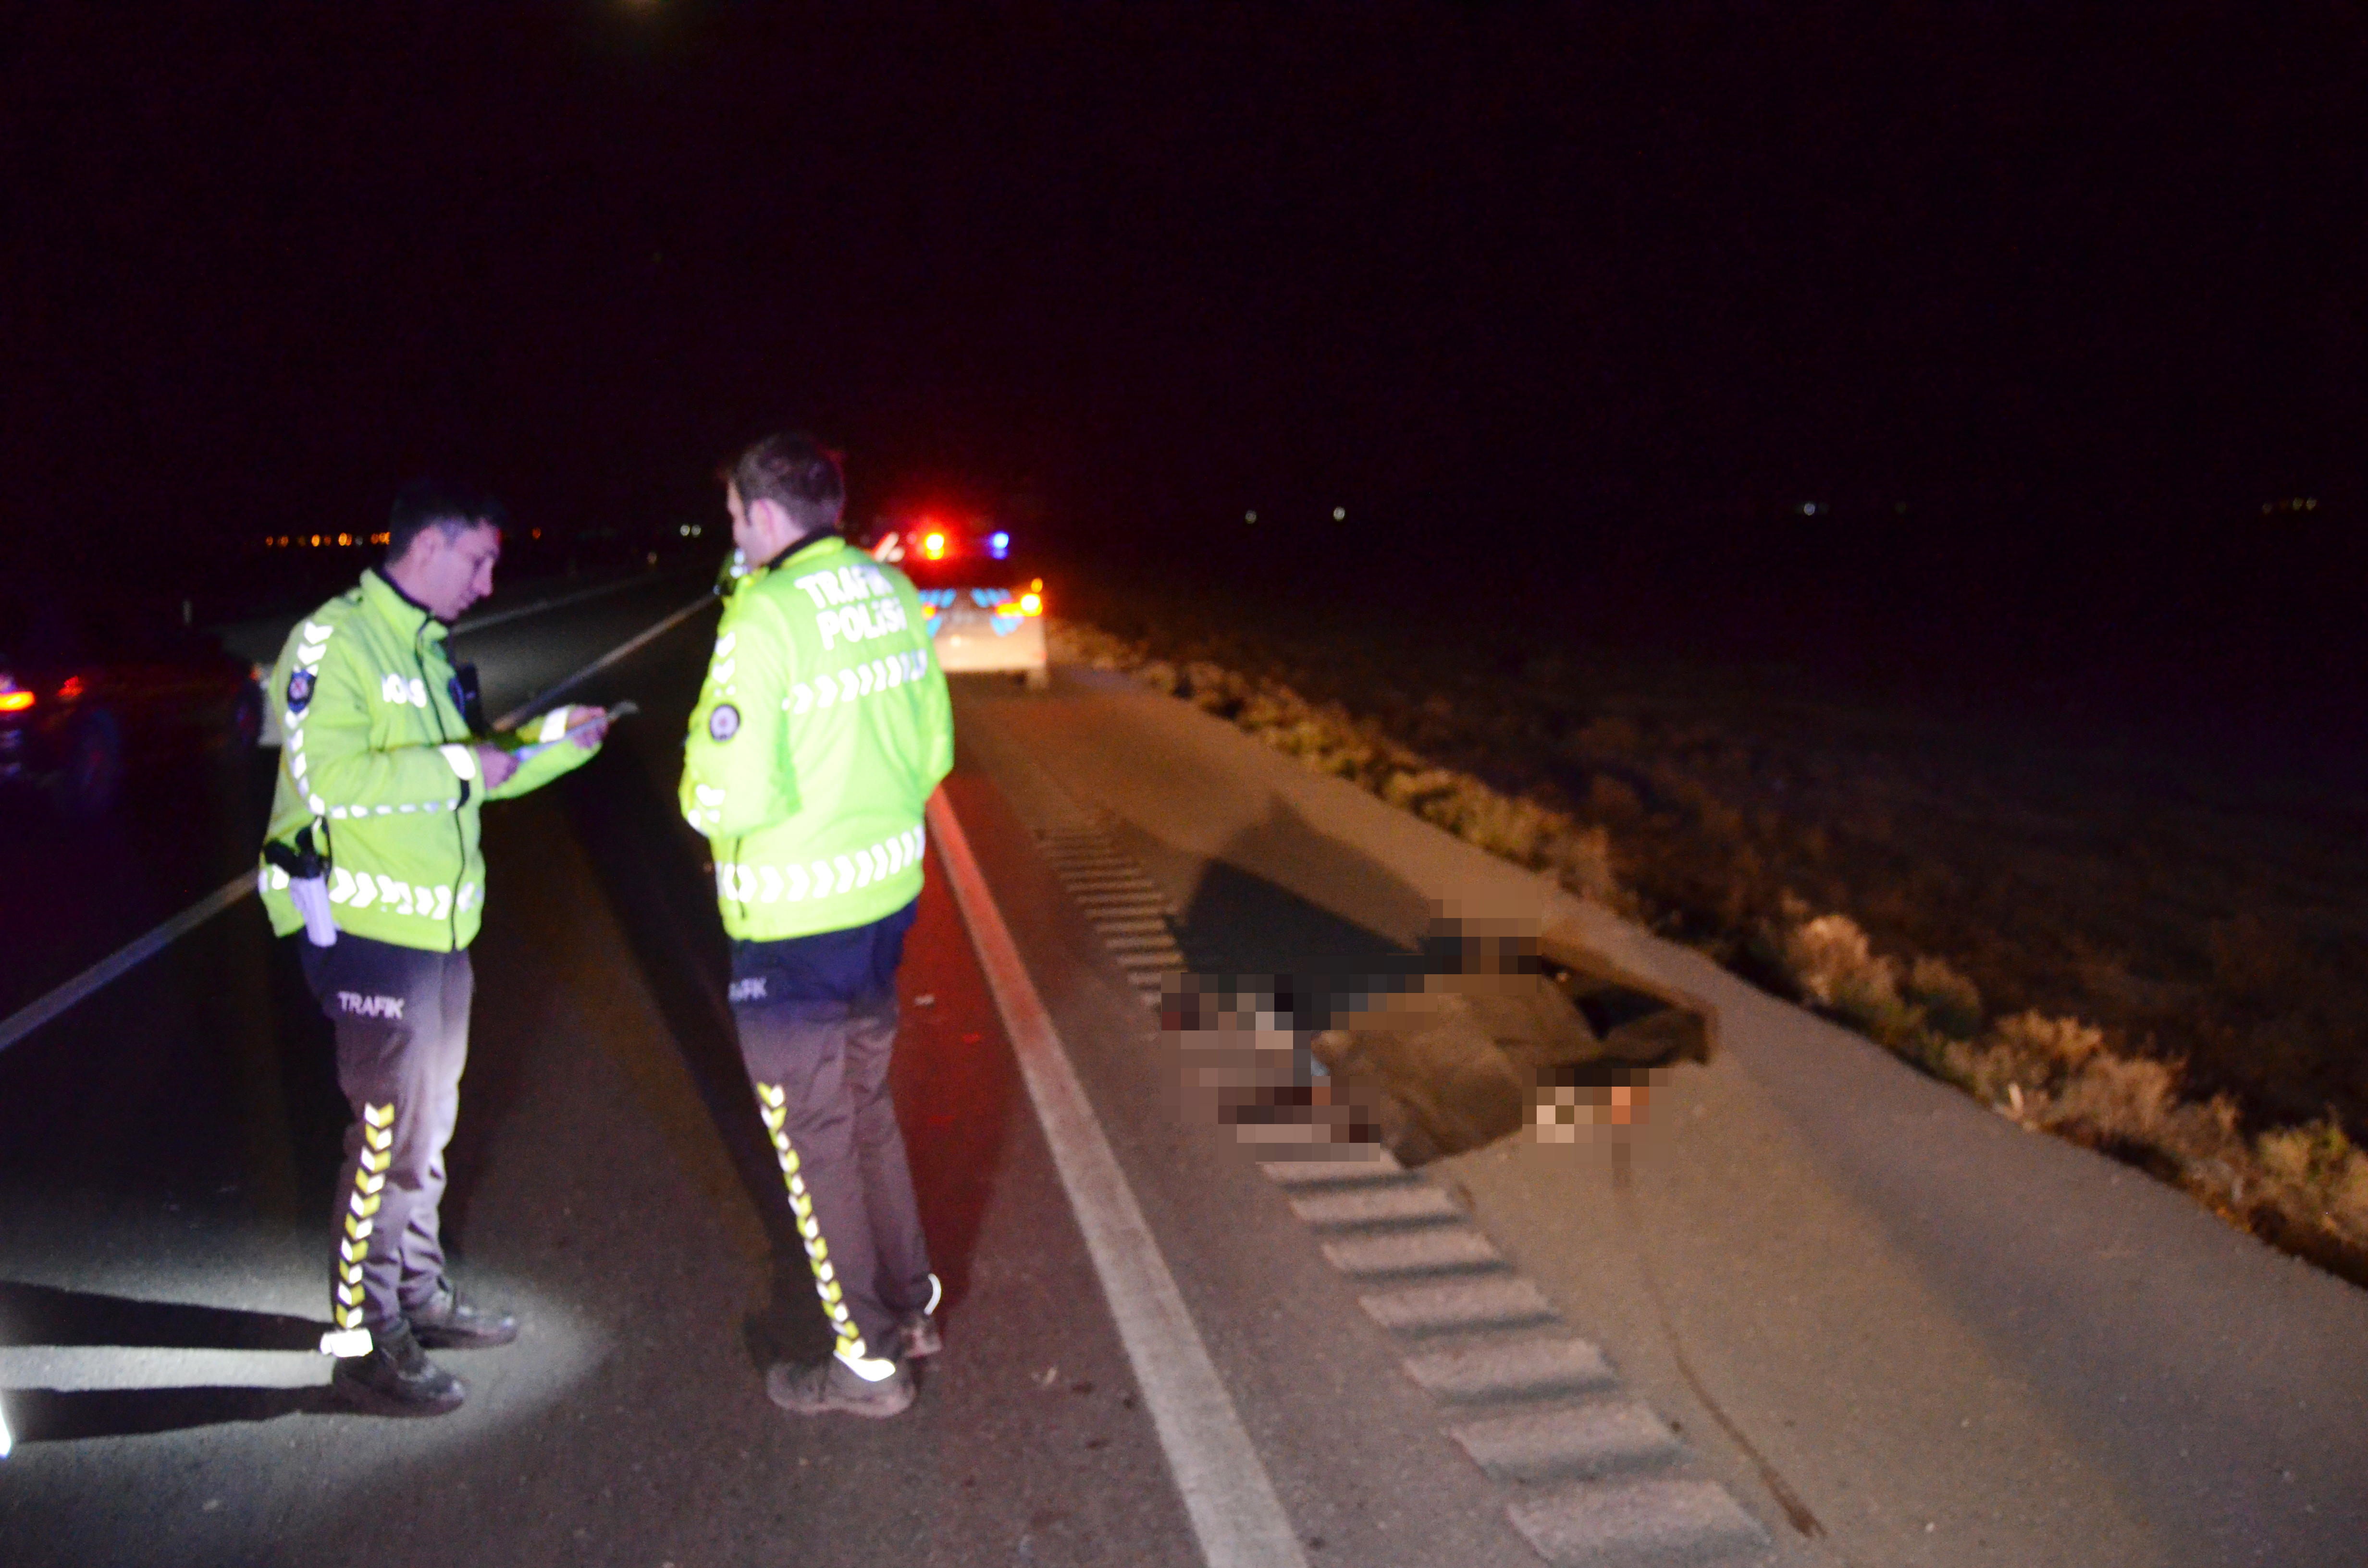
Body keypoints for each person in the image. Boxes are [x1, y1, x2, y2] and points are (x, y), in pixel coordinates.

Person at [255, 479, 607, 1416]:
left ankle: (417, 1297)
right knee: (382, 1142)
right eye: (482, 560)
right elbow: (324, 774)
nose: (490, 583)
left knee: (424, 1136)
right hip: (371, 935)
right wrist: (463, 764)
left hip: (439, 933)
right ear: (430, 546)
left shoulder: (425, 648)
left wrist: (551, 744)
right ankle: (363, 1338)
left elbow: (464, 778)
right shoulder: (334, 639)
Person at [679, 432, 953, 1418]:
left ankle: (869, 1364)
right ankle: (913, 1307)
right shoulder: (887, 593)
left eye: (733, 518)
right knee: (867, 1111)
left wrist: (700, 801)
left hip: (793, 923)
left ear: (758, 515)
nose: (731, 534)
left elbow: (727, 792)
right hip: (879, 906)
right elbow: (932, 748)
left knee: (814, 1139)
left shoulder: (764, 619)